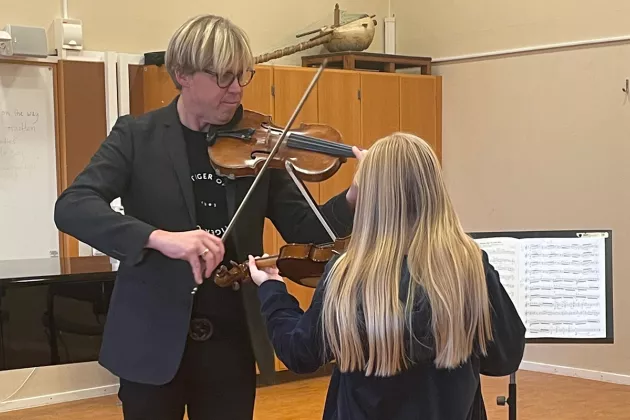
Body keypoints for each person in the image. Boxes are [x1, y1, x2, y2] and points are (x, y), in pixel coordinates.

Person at [53, 14, 364, 420]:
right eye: (222, 77)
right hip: (149, 341)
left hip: (231, 343)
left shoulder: (262, 142)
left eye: (242, 75)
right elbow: (72, 206)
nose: (236, 90)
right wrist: (159, 237)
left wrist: (357, 194)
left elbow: (309, 230)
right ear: (182, 74)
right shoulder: (136, 136)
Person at [247, 132, 527, 420]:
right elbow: (504, 357)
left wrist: (272, 291)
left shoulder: (347, 273)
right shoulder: (469, 266)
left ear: (370, 197)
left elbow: (301, 353)